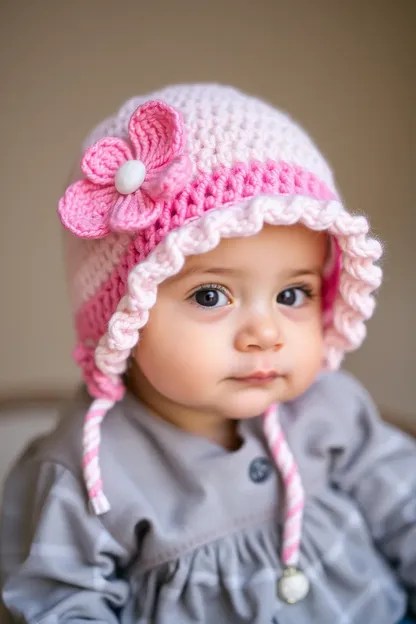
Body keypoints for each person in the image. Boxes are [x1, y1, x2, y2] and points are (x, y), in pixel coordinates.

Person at [0, 84, 415, 623]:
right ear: (125, 319)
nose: (266, 334)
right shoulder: (84, 474)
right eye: (210, 295)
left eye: (293, 294)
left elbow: (406, 507)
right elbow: (58, 604)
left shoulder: (333, 409)